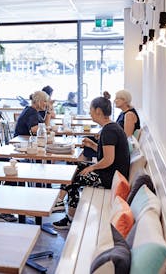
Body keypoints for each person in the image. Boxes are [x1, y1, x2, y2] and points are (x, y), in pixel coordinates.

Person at [52, 94, 130, 229]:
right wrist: (93, 145)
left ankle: (68, 215)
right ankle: (61, 204)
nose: (90, 113)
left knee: (75, 178)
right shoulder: (111, 127)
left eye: (91, 110)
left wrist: (92, 167)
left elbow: (108, 160)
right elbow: (107, 155)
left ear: (98, 111)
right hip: (111, 172)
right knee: (73, 168)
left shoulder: (109, 131)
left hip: (110, 177)